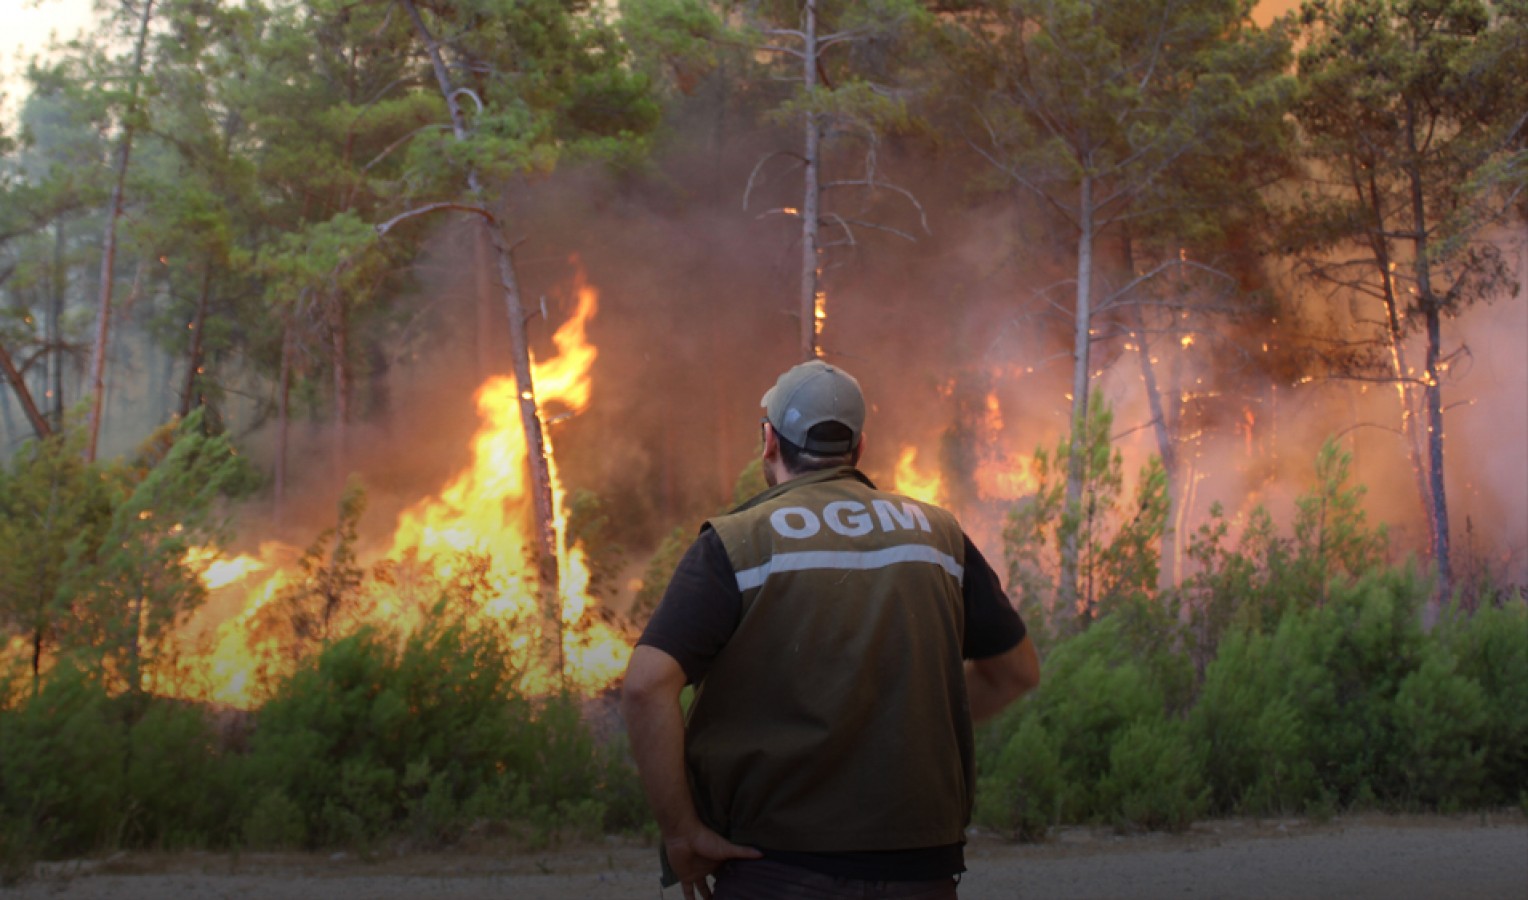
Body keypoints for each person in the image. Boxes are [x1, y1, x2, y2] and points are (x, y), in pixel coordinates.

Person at [622, 360, 1041, 900]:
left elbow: (644, 685)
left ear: (769, 442)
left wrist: (682, 833)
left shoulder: (737, 543)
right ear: (859, 448)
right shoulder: (939, 537)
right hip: (921, 869)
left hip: (776, 865)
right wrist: (895, 724)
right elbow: (1015, 673)